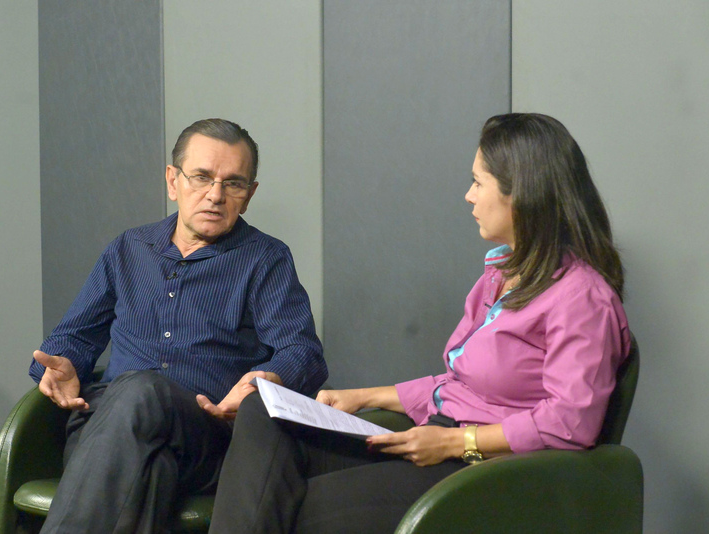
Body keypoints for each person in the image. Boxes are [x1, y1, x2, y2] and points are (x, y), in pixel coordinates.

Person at [207, 113, 631, 534]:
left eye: (478, 183)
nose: (468, 196)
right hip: (438, 437)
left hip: (488, 471)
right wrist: (361, 397)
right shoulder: (502, 273)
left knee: (296, 504)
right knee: (262, 411)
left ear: (522, 193)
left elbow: (570, 423)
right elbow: (459, 385)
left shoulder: (582, 297)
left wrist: (455, 442)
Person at [29, 118, 327, 533]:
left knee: (142, 389)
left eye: (233, 184)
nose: (215, 195)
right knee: (153, 468)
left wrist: (267, 379)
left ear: (249, 195)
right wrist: (61, 362)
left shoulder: (265, 259)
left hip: (204, 435)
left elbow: (304, 353)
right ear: (173, 181)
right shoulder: (129, 249)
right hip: (106, 432)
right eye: (201, 177)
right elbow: (72, 338)